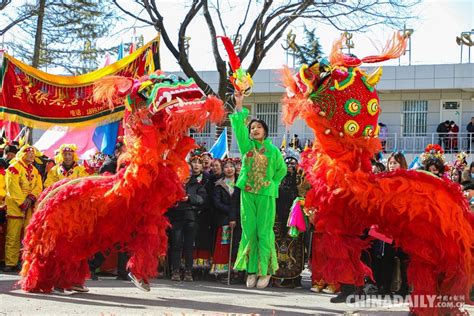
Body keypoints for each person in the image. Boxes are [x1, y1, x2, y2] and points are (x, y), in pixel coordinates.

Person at [230, 92, 287, 289]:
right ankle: (251, 270)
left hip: (266, 194)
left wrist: (272, 184)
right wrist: (239, 104)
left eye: (258, 127)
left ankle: (266, 271)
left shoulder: (274, 151)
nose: (254, 130)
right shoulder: (247, 147)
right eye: (252, 127)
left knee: (264, 232)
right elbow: (238, 129)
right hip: (247, 192)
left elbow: (282, 170)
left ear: (265, 131)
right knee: (249, 231)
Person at [167, 157, 207, 282]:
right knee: (176, 245)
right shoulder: (175, 184)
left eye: (189, 170)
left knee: (189, 246)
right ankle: (175, 271)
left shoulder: (197, 185)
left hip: (191, 219)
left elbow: (202, 199)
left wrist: (189, 198)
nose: (188, 172)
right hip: (177, 217)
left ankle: (188, 272)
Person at [4, 145, 43, 272]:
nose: (31, 155)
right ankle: (11, 263)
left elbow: (38, 186)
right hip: (16, 206)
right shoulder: (14, 167)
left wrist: (31, 197)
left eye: (33, 153)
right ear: (22, 154)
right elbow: (12, 187)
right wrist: (22, 202)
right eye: (28, 153)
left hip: (30, 206)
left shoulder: (34, 170)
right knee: (13, 236)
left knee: (29, 235)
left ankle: (26, 262)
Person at [210, 159, 241, 283]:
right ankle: (222, 272)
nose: (229, 169)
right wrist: (231, 211)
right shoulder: (219, 184)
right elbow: (217, 203)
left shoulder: (241, 183)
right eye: (226, 167)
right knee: (224, 245)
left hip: (238, 219)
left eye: (231, 167)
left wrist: (235, 213)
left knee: (236, 246)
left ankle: (236, 271)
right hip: (224, 219)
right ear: (223, 170)